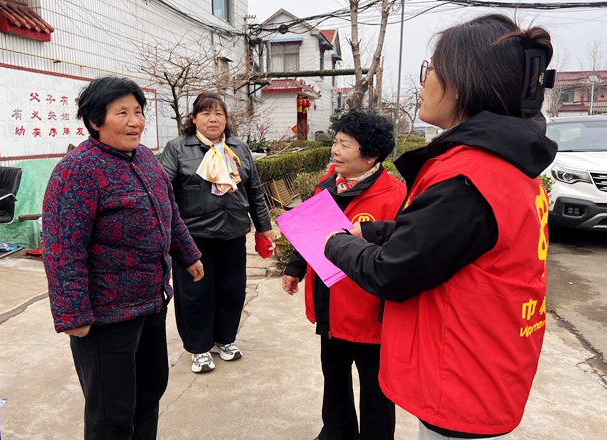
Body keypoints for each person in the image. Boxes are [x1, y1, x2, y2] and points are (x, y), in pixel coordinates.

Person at [324, 15, 557, 440]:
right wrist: (375, 232)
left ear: (464, 82)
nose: (423, 82)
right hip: (487, 361)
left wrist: (334, 241)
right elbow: (447, 238)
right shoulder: (504, 165)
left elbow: (391, 272)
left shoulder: (469, 176)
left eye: (429, 69)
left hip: (460, 378)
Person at [43, 76, 204, 440]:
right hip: (106, 316)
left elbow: (169, 213)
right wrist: (72, 314)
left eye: (138, 112)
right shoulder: (78, 170)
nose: (135, 122)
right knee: (112, 413)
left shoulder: (145, 159)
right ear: (95, 120)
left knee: (149, 392)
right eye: (122, 113)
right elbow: (62, 247)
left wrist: (187, 253)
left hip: (150, 303)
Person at [282, 110, 406, 440]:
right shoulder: (327, 185)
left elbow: (401, 255)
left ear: (371, 155)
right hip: (329, 302)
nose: (335, 150)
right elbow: (311, 232)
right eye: (335, 142)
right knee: (334, 377)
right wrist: (294, 269)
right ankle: (336, 432)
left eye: (345, 144)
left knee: (376, 388)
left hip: (369, 311)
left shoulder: (395, 196)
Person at [160, 92, 274, 374]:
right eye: (206, 113)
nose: (213, 119)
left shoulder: (238, 148)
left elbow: (254, 191)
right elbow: (164, 195)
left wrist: (264, 227)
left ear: (226, 118)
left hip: (233, 233)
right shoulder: (177, 149)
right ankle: (199, 347)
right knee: (195, 295)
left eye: (219, 113)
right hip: (193, 238)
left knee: (231, 291)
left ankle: (225, 339)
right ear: (194, 119)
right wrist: (169, 236)